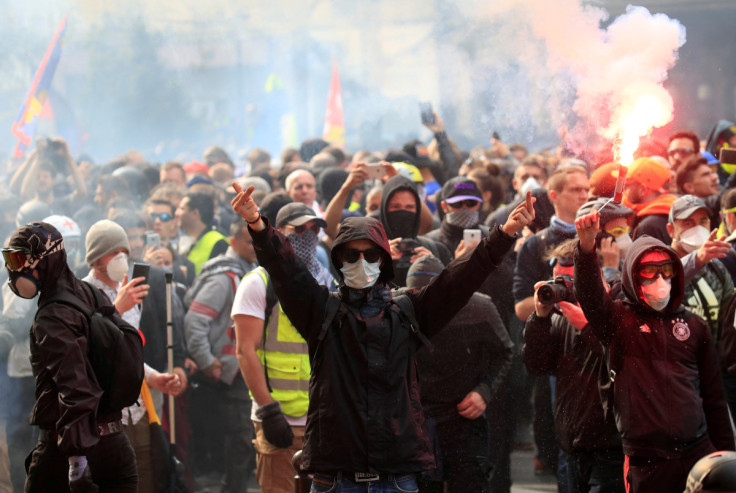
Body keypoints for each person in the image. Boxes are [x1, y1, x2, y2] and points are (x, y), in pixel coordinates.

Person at [231, 183, 535, 493]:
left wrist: (505, 233)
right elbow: (287, 271)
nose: (361, 262)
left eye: (370, 254)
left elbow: (459, 279)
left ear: (383, 260)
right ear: (338, 260)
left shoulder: (407, 311)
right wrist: (257, 223)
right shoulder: (321, 310)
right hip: (335, 477)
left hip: (396, 477)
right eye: (351, 255)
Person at [574, 208, 734, 493]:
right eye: (649, 271)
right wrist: (586, 249)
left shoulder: (694, 326)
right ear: (633, 275)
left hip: (699, 451)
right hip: (647, 459)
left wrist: (727, 458)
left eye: (666, 270)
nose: (659, 279)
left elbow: (714, 399)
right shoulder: (619, 321)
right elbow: (589, 296)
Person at [4, 222, 138, 491]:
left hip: (69, 450)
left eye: (19, 259)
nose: (13, 269)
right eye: (9, 259)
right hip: (115, 444)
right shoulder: (91, 293)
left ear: (44, 260)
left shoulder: (52, 317)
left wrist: (77, 462)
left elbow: (76, 389)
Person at [231, 203, 334, 493]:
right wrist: (268, 411)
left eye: (313, 228)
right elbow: (244, 351)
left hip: (321, 420)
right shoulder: (257, 283)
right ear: (279, 234)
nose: (308, 234)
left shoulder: (328, 283)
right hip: (281, 421)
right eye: (298, 229)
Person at [523, 239, 625, 493]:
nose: (564, 290)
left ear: (595, 275)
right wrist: (540, 318)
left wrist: (587, 327)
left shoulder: (621, 306)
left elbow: (625, 362)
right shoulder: (559, 317)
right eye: (559, 282)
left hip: (610, 449)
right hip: (570, 448)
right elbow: (537, 366)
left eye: (570, 282)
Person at [406, 255, 513, 493]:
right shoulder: (399, 310)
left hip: (463, 417)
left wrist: (484, 391)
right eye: (419, 299)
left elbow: (504, 353)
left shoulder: (479, 307)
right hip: (416, 420)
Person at [184, 218, 258, 492]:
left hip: (238, 366)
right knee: (239, 435)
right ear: (233, 242)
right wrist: (206, 360)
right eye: (248, 241)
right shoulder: (223, 278)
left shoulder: (249, 271)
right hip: (227, 369)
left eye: (256, 241)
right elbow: (195, 321)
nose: (254, 246)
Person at [176, 191, 230, 275]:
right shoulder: (182, 239)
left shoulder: (218, 243)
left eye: (181, 209)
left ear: (195, 213)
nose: (176, 213)